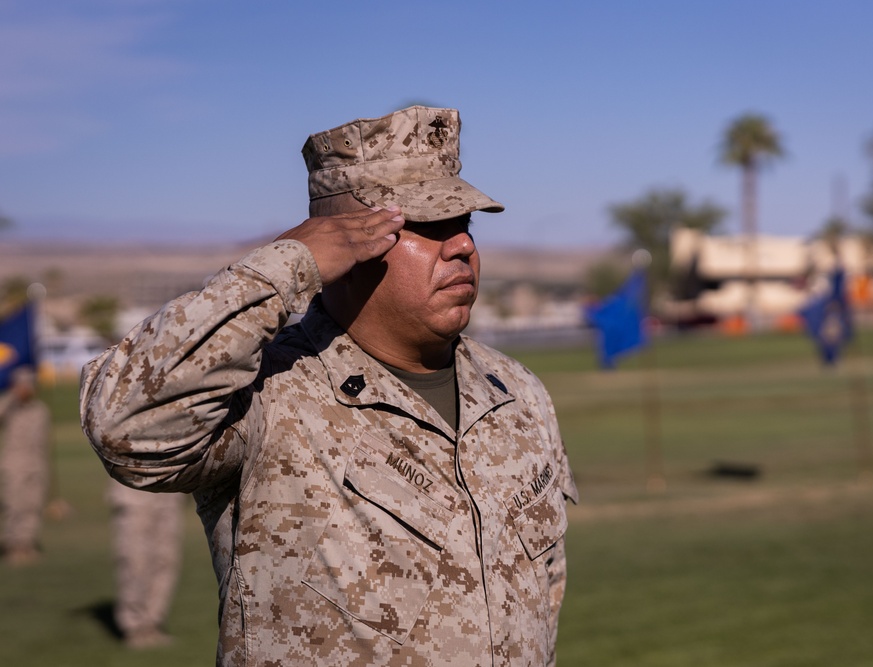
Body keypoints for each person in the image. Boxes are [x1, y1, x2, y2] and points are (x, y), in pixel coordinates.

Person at [80, 105, 578, 666]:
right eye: (428, 226)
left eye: (464, 223)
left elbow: (543, 596)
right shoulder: (269, 392)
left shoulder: (516, 392)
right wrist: (281, 268)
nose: (462, 245)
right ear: (343, 241)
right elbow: (124, 429)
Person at [107, 478, 184, 648]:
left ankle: (152, 622)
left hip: (169, 486)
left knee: (166, 559)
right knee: (135, 561)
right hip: (133, 485)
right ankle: (134, 627)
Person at [0, 367, 51, 566]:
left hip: (36, 464)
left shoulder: (40, 410)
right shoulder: (9, 407)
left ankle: (26, 544)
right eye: (23, 384)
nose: (27, 388)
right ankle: (12, 544)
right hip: (14, 464)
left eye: (30, 384)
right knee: (15, 505)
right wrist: (13, 397)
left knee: (33, 505)